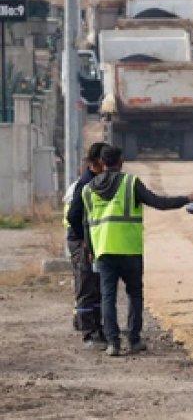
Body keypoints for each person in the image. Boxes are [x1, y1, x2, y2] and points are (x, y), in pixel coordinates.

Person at [82, 145, 193, 356]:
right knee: (134, 295)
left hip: (103, 251)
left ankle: (113, 344)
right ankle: (134, 340)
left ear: (102, 163)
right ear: (120, 162)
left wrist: (91, 250)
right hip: (129, 250)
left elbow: (86, 224)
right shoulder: (130, 183)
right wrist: (187, 198)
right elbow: (159, 203)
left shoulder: (88, 189)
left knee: (107, 297)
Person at [64, 142, 109, 349]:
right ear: (98, 162)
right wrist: (84, 241)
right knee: (87, 285)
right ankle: (89, 333)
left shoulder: (96, 180)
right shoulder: (86, 184)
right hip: (82, 241)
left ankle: (95, 327)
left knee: (95, 284)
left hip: (92, 240)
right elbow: (73, 215)